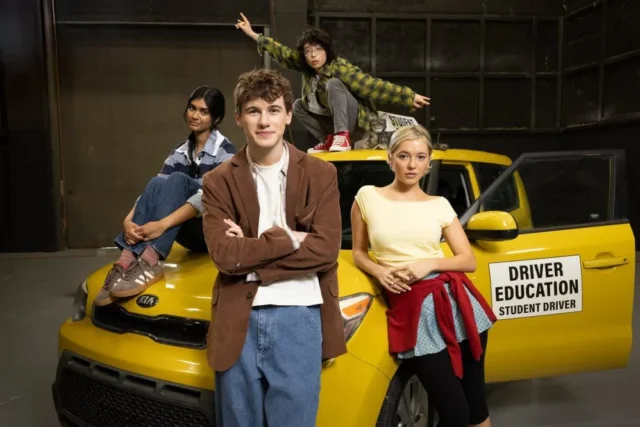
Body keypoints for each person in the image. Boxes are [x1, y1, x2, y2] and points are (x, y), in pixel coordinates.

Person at [201, 68, 347, 427]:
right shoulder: (217, 181)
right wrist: (290, 238)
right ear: (239, 117)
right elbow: (225, 255)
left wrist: (250, 254)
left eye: (273, 110)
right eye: (254, 111)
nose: (264, 121)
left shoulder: (321, 174)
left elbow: (326, 249)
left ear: (288, 115)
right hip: (238, 317)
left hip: (300, 316)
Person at [351, 125, 497, 427]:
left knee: (476, 407)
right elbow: (359, 252)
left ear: (429, 162)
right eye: (403, 156)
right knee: (455, 414)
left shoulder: (439, 205)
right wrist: (380, 271)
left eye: (420, 157)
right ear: (390, 159)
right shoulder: (367, 197)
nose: (412, 164)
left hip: (457, 304)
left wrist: (427, 264)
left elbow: (467, 260)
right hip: (413, 310)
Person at [94, 86, 237, 307]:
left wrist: (161, 225)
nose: (195, 115)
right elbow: (155, 190)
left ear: (216, 118)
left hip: (212, 231)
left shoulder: (226, 151)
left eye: (204, 112)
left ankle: (150, 260)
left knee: (178, 179)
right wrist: (128, 220)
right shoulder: (180, 151)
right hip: (186, 231)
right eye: (192, 108)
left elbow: (208, 199)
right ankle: (126, 261)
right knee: (157, 182)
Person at [235, 13, 431, 153]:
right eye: (308, 51)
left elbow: (371, 86)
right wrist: (253, 34)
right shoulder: (307, 68)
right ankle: (329, 139)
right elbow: (282, 53)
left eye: (318, 50)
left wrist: (408, 97)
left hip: (358, 122)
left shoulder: (339, 67)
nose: (313, 55)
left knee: (334, 84)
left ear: (326, 51)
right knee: (298, 105)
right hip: (332, 120)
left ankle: (341, 136)